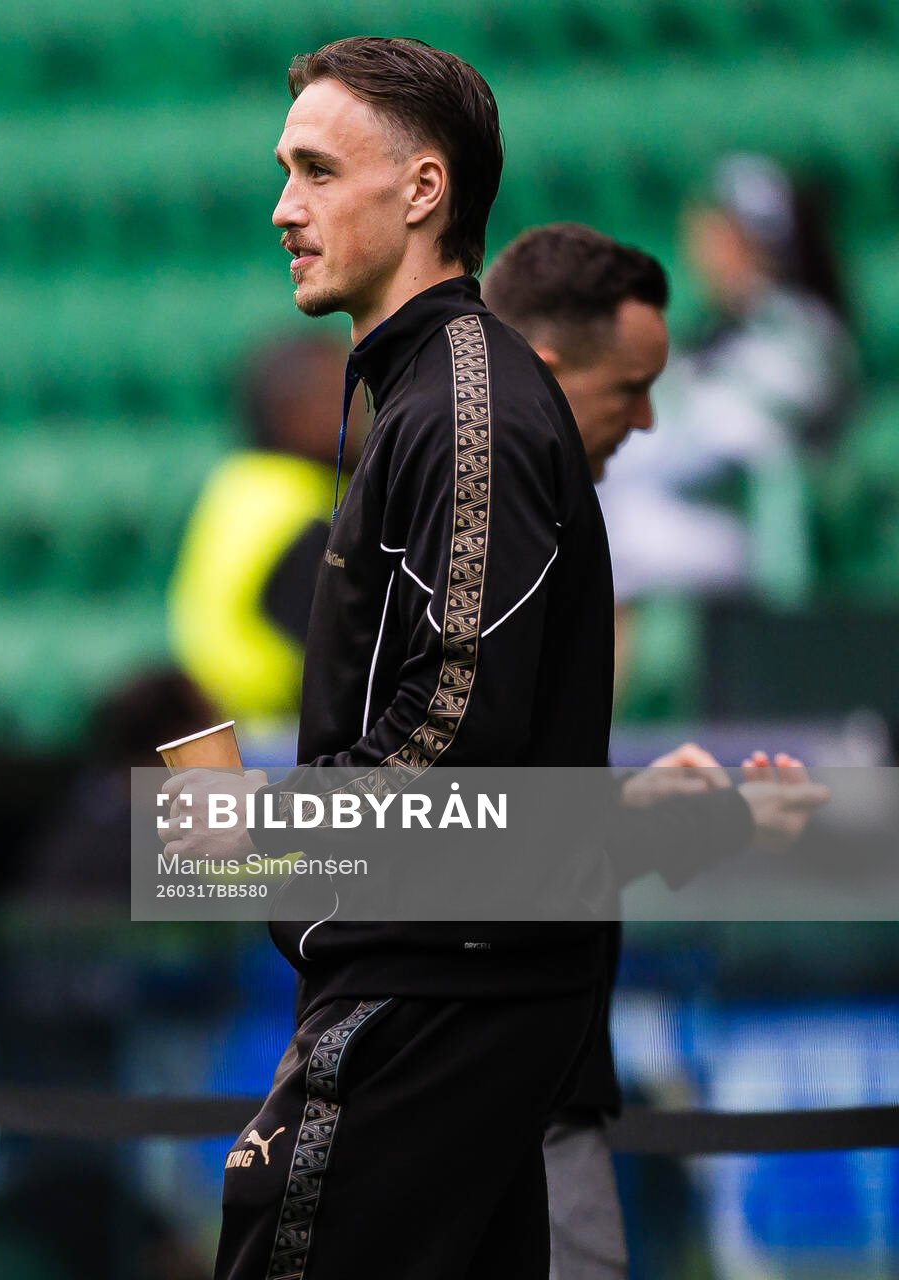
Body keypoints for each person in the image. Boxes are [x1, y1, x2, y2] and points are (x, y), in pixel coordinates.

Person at [164, 37, 619, 1278]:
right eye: (284, 170)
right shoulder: (424, 391)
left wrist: (268, 848)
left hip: (436, 987)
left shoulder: (464, 401)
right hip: (430, 976)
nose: (282, 208)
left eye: (315, 170)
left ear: (423, 191)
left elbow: (456, 722)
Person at [485, 223, 833, 1280]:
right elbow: (394, 849)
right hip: (469, 1087)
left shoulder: (545, 538)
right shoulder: (472, 548)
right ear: (548, 371)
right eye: (629, 388)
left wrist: (637, 810)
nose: (647, 419)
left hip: (518, 1073)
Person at [597, 153, 856, 602]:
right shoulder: (711, 333)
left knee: (611, 538)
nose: (703, 246)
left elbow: (732, 442)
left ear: (752, 240)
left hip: (759, 526)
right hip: (693, 507)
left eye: (718, 232)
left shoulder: (803, 332)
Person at [168, 336, 363, 725]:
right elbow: (335, 648)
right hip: (279, 735)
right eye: (341, 398)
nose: (358, 414)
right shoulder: (303, 509)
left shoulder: (235, 484)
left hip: (229, 725)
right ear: (291, 414)